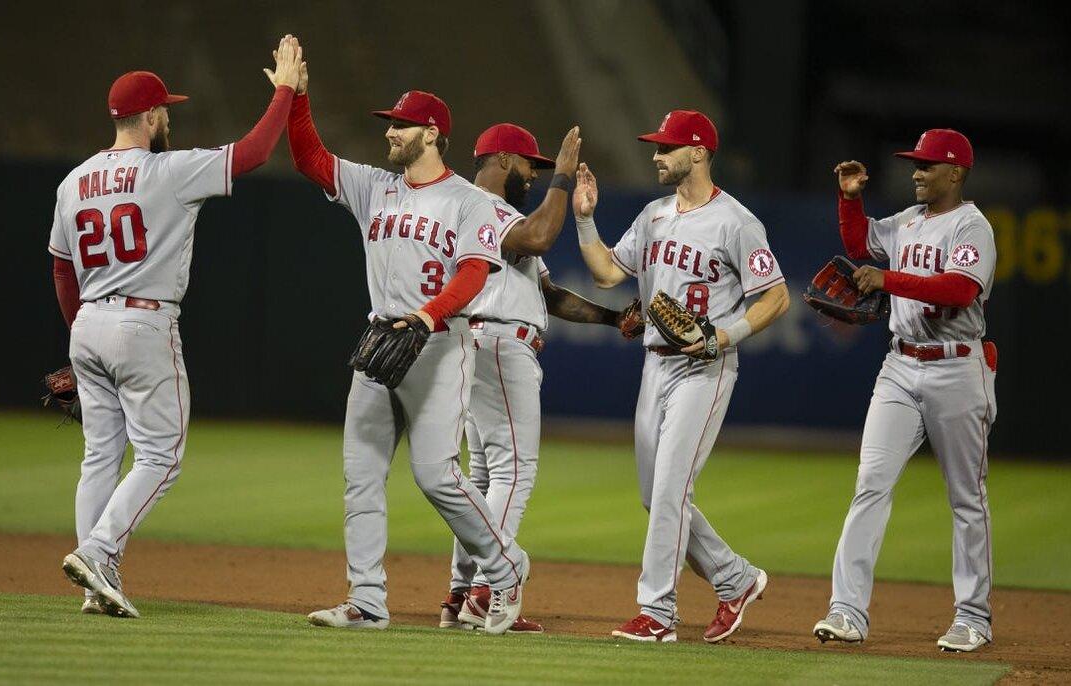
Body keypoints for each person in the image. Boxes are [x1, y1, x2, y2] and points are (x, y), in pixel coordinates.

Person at [55, 36, 303, 617]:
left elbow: (63, 271)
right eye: (164, 108)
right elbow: (254, 152)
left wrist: (76, 337)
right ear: (147, 116)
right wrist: (287, 90)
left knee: (99, 457)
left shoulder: (73, 182)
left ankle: (96, 587)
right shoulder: (167, 170)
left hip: (88, 322)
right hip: (142, 324)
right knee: (161, 455)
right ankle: (99, 551)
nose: (168, 116)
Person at [281, 59, 528, 634]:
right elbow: (309, 159)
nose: (390, 131)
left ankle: (506, 564)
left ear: (432, 133)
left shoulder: (469, 202)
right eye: (390, 123)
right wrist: (296, 96)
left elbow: (473, 273)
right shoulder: (374, 186)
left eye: (402, 124)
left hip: (441, 344)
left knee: (436, 475)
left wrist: (428, 313)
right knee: (361, 473)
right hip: (382, 340)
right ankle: (367, 600)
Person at [570, 110, 789, 643]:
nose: (655, 155)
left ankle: (658, 613)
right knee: (656, 495)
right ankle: (733, 578)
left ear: (697, 152)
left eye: (666, 147)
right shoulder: (652, 216)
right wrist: (584, 219)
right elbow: (606, 274)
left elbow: (777, 297)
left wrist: (723, 336)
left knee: (670, 489)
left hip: (704, 368)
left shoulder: (736, 221)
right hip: (655, 365)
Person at [440, 123, 644, 633]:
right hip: (500, 347)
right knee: (514, 472)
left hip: (478, 346)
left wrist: (610, 317)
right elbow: (541, 233)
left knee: (484, 480)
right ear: (504, 160)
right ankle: (489, 590)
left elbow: (548, 293)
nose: (535, 176)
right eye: (531, 166)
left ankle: (462, 594)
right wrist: (565, 179)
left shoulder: (491, 214)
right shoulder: (480, 206)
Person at [813, 129, 998, 653]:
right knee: (870, 482)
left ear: (956, 172)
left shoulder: (972, 225)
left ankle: (973, 617)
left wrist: (888, 280)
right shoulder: (909, 221)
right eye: (915, 163)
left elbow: (960, 290)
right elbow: (861, 244)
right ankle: (847, 611)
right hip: (900, 364)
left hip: (958, 369)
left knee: (967, 500)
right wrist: (850, 199)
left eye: (927, 164)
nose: (915, 171)